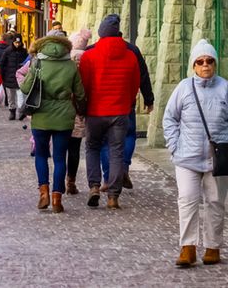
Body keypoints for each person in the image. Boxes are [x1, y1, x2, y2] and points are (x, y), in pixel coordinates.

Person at [164, 39, 228, 268]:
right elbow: (170, 118)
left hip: (218, 158)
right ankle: (188, 247)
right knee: (187, 200)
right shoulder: (184, 88)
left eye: (209, 61)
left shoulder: (226, 88)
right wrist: (175, 146)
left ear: (215, 63)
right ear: (194, 65)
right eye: (200, 61)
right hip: (187, 157)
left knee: (215, 202)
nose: (205, 65)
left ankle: (213, 247)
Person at [77, 14, 140, 210]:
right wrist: (127, 103)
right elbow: (135, 84)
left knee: (92, 148)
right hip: (120, 111)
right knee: (116, 152)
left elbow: (83, 85)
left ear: (101, 33)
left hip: (95, 111)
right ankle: (113, 196)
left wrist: (83, 107)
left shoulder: (89, 55)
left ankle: (94, 186)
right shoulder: (130, 55)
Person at [19, 33, 85, 213]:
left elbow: (25, 87)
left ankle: (44, 193)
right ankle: (57, 198)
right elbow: (79, 93)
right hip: (64, 116)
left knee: (41, 155)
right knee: (59, 158)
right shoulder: (70, 65)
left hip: (41, 115)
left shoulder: (38, 63)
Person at [101, 34, 155, 190]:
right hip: (126, 103)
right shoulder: (132, 50)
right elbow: (143, 75)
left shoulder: (95, 50)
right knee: (129, 135)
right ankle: (123, 167)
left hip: (102, 105)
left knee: (105, 142)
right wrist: (148, 99)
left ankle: (108, 177)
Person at [65, 28, 92, 194]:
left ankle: (58, 183)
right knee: (75, 148)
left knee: (61, 148)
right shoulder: (88, 59)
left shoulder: (65, 59)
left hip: (62, 109)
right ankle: (71, 181)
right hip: (79, 109)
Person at [0, 34, 29, 120]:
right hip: (9, 77)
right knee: (11, 97)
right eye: (16, 42)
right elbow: (1, 63)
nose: (17, 44)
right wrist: (2, 76)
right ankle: (12, 112)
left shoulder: (24, 51)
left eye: (19, 43)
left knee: (21, 97)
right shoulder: (8, 51)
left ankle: (21, 111)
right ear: (13, 42)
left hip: (21, 78)